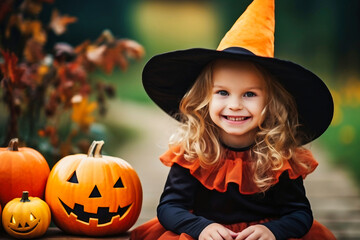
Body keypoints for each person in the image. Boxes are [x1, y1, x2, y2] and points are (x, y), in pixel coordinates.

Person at [131, 0, 336, 239]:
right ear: (204, 99)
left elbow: (299, 214)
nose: (235, 105)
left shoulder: (279, 155)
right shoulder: (193, 152)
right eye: (222, 92)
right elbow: (169, 208)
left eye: (249, 94)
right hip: (204, 234)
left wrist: (273, 230)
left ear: (271, 103)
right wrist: (200, 227)